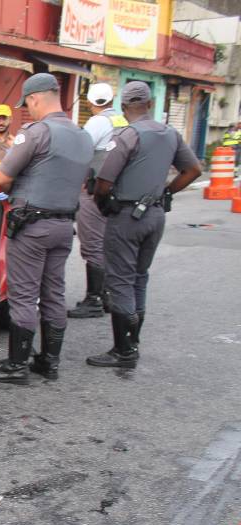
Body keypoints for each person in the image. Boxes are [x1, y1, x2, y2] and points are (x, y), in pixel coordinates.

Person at [0, 73, 92, 385]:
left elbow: (2, 179)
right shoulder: (82, 136)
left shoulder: (36, 132)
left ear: (35, 98)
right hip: (63, 226)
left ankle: (17, 366)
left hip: (31, 227)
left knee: (24, 296)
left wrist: (4, 200)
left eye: (27, 104)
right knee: (54, 293)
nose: (27, 110)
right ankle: (49, 362)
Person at [86, 81, 201, 369]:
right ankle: (133, 341)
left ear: (124, 108)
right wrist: (167, 192)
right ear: (150, 104)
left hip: (126, 216)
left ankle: (123, 350)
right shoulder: (170, 133)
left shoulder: (127, 135)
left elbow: (104, 181)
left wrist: (102, 203)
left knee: (121, 279)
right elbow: (194, 170)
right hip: (155, 215)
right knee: (140, 277)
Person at [67, 82, 129, 319]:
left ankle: (94, 299)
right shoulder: (122, 121)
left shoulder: (97, 122)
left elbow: (79, 152)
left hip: (95, 192)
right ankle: (105, 295)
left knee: (92, 244)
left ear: (91, 102)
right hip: (117, 193)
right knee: (107, 244)